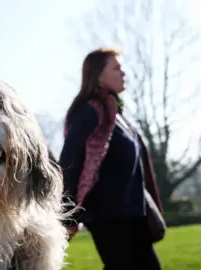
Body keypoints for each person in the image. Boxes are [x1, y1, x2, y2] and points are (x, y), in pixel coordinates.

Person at [58, 47, 164, 270]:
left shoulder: (118, 117)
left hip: (134, 215)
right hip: (108, 217)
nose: (123, 73)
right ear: (98, 75)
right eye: (116, 68)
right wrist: (66, 214)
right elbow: (69, 160)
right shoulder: (89, 112)